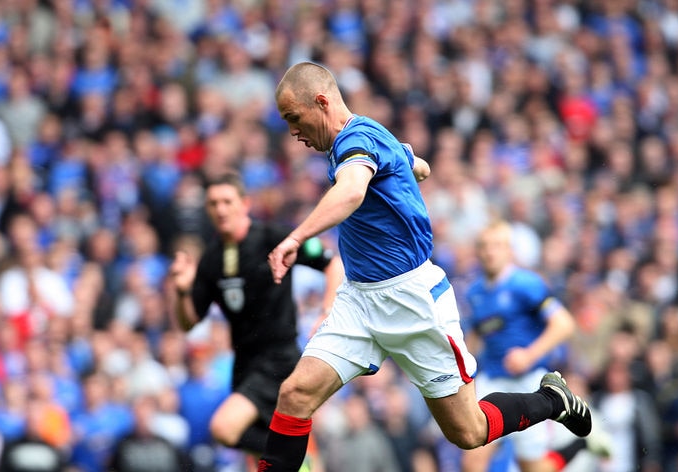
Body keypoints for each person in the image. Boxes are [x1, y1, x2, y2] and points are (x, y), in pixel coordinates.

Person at [257, 61, 592, 472]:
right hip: (358, 300)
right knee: (295, 394)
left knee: (468, 433)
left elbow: (350, 192)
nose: (293, 131)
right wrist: (411, 163)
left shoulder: (355, 141)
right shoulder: (369, 139)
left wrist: (296, 238)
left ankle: (552, 400)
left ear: (322, 102)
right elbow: (418, 165)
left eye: (295, 118)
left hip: (412, 300)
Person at [170, 171, 344, 462]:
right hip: (244, 366)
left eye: (227, 201)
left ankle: (300, 460)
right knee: (257, 458)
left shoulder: (272, 237)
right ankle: (299, 459)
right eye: (213, 203)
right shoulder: (211, 259)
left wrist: (327, 312)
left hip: (278, 360)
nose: (221, 209)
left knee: (224, 429)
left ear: (244, 204)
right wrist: (182, 291)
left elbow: (332, 264)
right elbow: (190, 322)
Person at [462, 221, 610, 472]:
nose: (489, 252)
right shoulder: (475, 292)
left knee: (534, 468)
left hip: (528, 381)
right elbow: (475, 338)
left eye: (496, 246)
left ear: (509, 251)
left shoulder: (526, 283)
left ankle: (580, 446)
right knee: (472, 457)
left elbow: (563, 324)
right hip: (492, 380)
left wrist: (529, 355)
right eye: (484, 246)